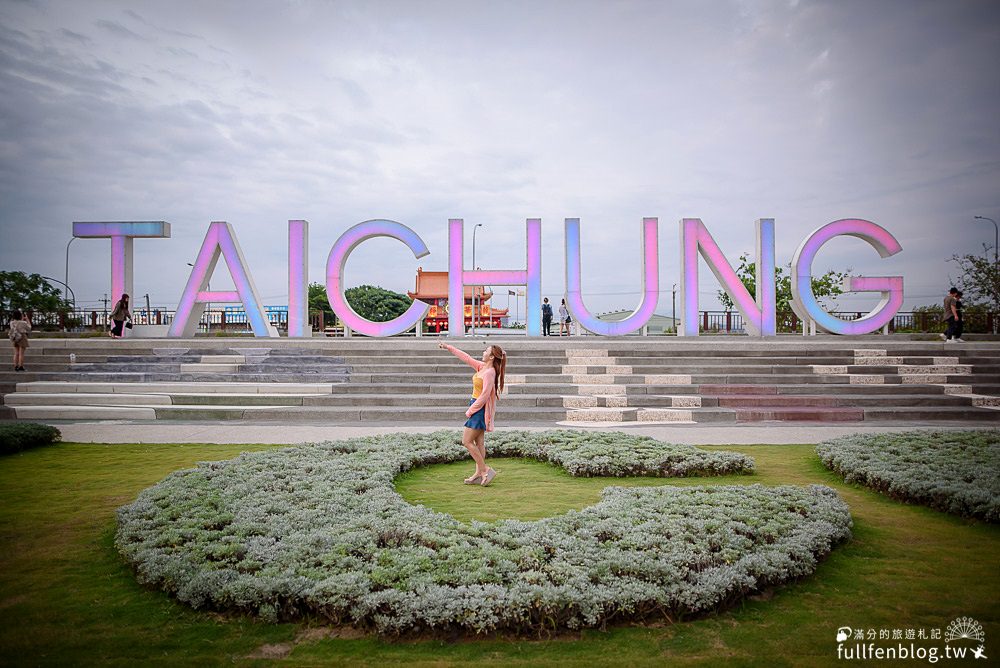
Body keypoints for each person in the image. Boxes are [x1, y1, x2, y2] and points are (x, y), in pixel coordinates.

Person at [438, 341, 506, 486]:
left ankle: (485, 470)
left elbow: (484, 396)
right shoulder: (481, 367)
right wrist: (448, 347)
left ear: (492, 357)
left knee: (466, 441)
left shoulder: (489, 373)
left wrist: (471, 410)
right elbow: (466, 357)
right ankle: (478, 474)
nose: (483, 353)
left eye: (486, 351)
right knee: (479, 443)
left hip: (479, 409)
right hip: (476, 406)